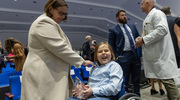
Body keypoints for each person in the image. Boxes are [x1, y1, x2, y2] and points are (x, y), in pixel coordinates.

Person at [20, 0, 94, 100]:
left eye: (65, 14)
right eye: (60, 13)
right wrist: (82, 61)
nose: (63, 17)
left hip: (49, 71)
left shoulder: (52, 24)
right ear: (51, 9)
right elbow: (60, 48)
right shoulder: (43, 22)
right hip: (41, 72)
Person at [135, 0, 180, 99]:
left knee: (168, 81)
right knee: (166, 81)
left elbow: (162, 30)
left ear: (147, 2)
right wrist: (141, 39)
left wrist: (143, 39)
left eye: (141, 3)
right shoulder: (149, 17)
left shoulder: (157, 14)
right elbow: (149, 33)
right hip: (156, 55)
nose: (140, 6)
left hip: (161, 55)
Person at [108, 10, 141, 96]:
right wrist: (116, 56)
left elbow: (138, 37)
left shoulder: (132, 27)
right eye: (122, 15)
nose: (125, 16)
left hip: (135, 54)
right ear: (117, 17)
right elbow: (111, 45)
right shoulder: (113, 29)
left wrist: (138, 42)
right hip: (123, 56)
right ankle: (125, 96)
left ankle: (137, 95)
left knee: (136, 78)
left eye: (125, 15)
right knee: (124, 79)